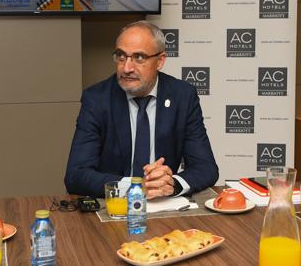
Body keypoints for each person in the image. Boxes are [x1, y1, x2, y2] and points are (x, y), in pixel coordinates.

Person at [64, 20, 219, 199]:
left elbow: (206, 167)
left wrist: (172, 184)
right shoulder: (97, 99)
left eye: (139, 57)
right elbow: (76, 175)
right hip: (115, 208)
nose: (127, 68)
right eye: (121, 56)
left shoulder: (182, 96)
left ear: (160, 61)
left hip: (164, 206)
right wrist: (135, 187)